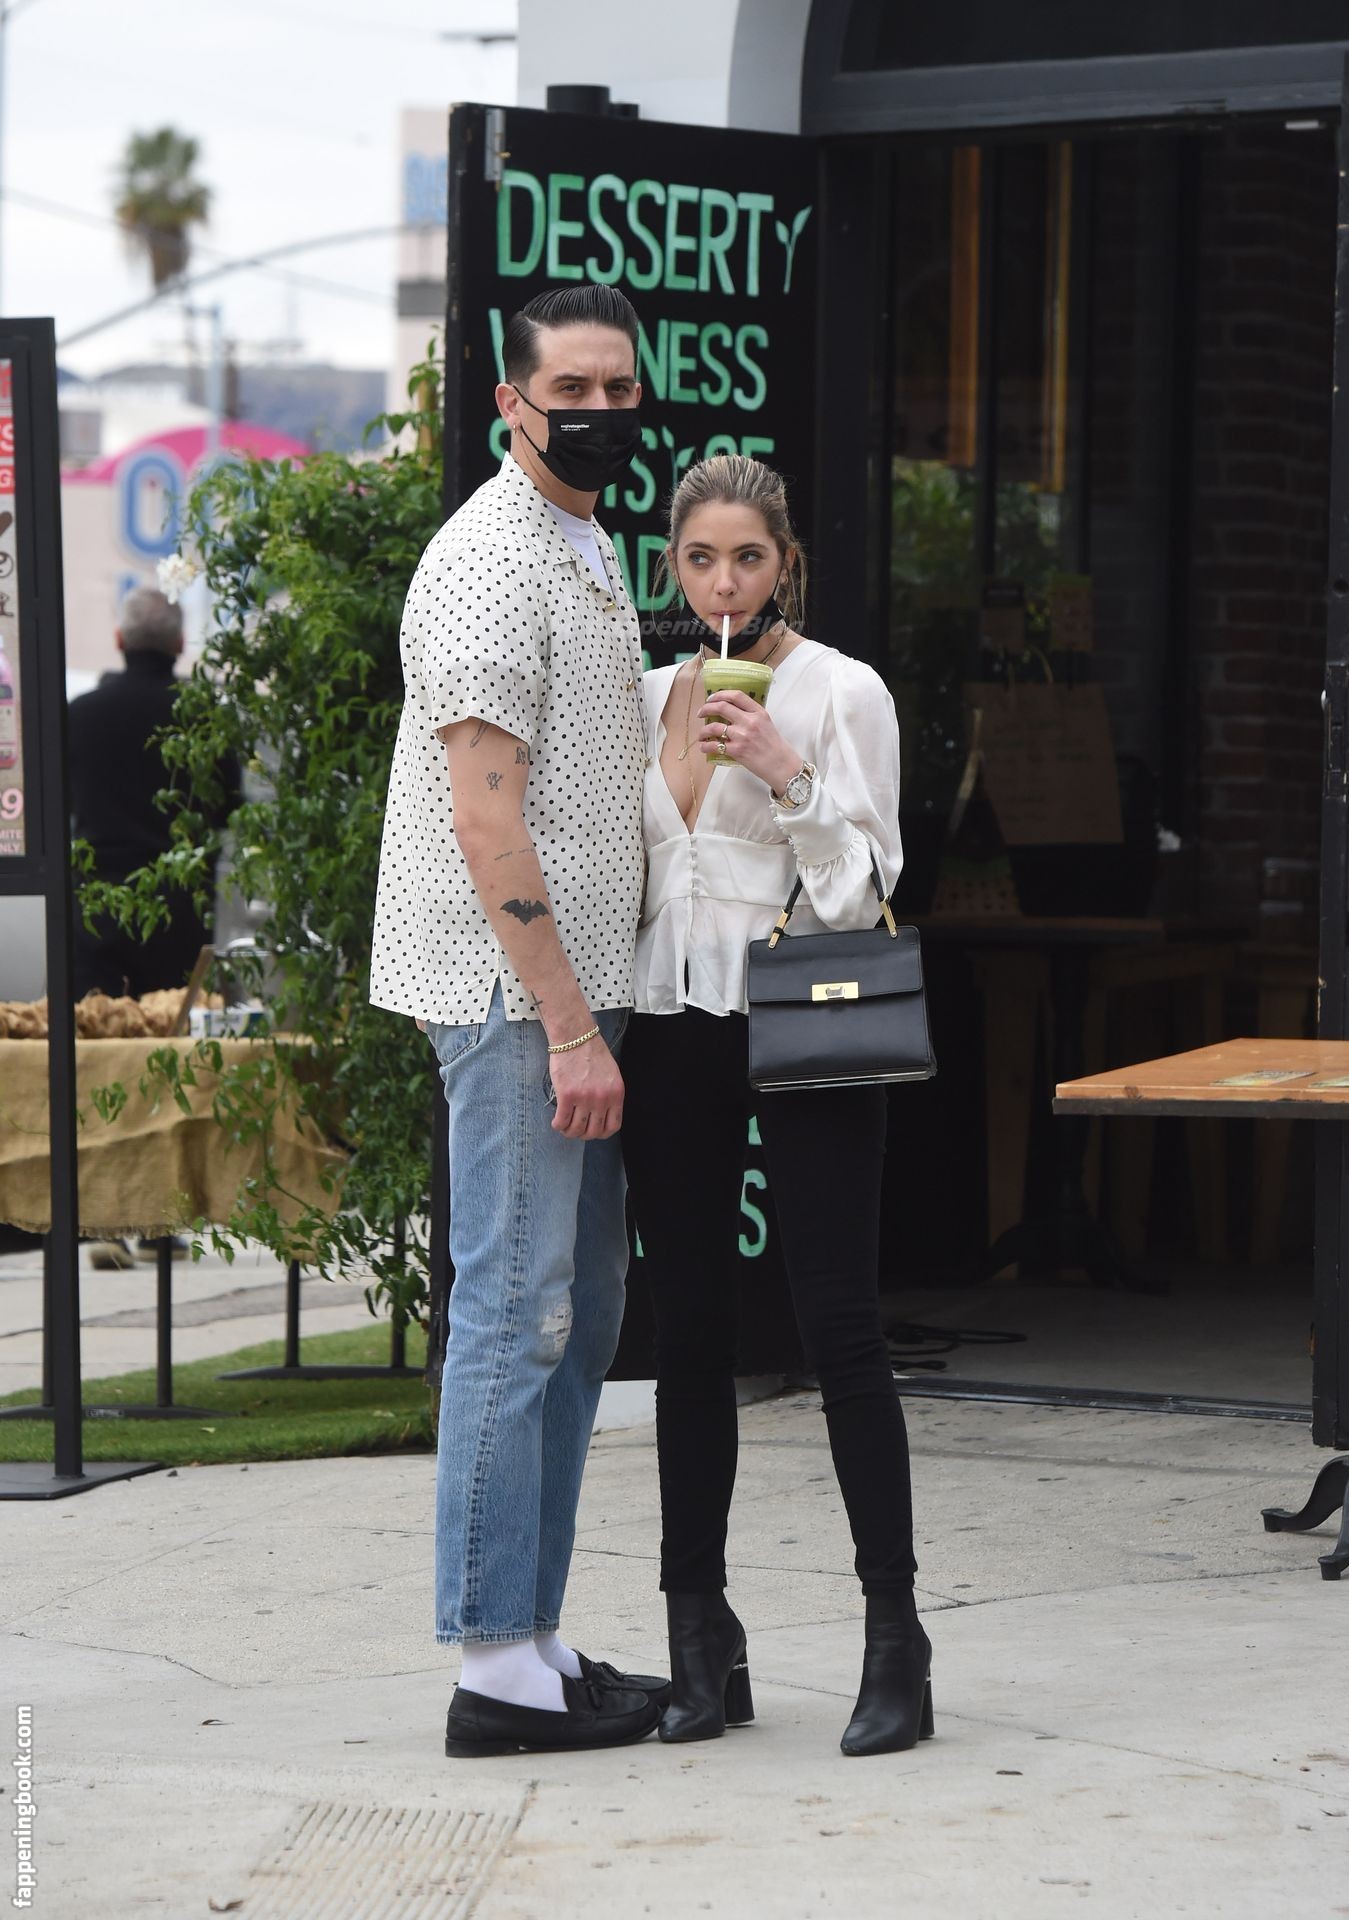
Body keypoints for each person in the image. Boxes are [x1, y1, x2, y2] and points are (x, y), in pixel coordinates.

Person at [370, 282, 669, 1758]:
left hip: (571, 995)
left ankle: (536, 1638)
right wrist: (564, 1026)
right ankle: (493, 1669)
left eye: (620, 390)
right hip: (511, 999)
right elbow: (484, 819)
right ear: (512, 403)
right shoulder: (489, 558)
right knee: (517, 1311)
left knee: (582, 1312)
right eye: (573, 392)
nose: (601, 414)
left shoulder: (581, 542)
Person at [622, 454, 931, 1757]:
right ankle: (698, 1636)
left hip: (803, 1014)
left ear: (784, 563)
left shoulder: (840, 690)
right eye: (700, 559)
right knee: (686, 1332)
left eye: (746, 558)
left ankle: (894, 1639)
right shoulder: (647, 695)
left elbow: (861, 893)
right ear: (674, 566)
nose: (723, 584)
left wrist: (786, 773)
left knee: (836, 1324)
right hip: (669, 1029)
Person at [68, 585, 237, 1272]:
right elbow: (228, 806)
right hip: (177, 909)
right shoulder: (203, 717)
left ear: (118, 641)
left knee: (97, 1057)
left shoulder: (80, 717)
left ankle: (102, 1216)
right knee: (169, 1061)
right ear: (179, 644)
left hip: (96, 907)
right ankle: (163, 1224)